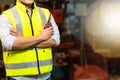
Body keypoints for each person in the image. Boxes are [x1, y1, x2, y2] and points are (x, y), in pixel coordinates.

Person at [0, 0, 60, 80]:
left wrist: (22, 39)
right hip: (20, 78)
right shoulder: (6, 16)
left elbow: (56, 40)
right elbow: (11, 43)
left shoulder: (46, 13)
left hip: (46, 77)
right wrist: (41, 37)